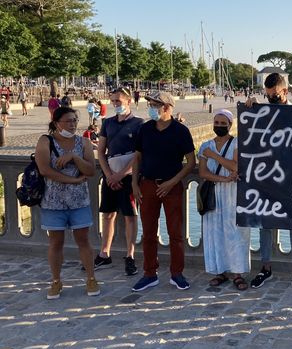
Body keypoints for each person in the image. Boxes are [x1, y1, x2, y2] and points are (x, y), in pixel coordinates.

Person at [245, 72, 292, 291]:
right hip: (267, 179)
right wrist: (250, 107)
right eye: (268, 95)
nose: (271, 98)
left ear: (285, 92)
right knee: (265, 224)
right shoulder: (262, 113)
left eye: (274, 95)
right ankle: (265, 267)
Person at [131, 91, 196, 292]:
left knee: (175, 232)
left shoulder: (181, 131)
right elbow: (137, 158)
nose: (150, 107)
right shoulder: (145, 129)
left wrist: (172, 181)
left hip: (172, 187)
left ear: (167, 108)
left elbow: (191, 162)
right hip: (147, 185)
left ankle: (177, 273)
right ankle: (149, 273)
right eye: (150, 103)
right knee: (148, 232)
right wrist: (134, 184)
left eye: (154, 104)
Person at [34, 107, 100, 299]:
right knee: (56, 242)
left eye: (74, 121)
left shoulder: (84, 142)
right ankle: (56, 281)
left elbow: (90, 170)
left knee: (84, 240)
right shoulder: (45, 141)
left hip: (79, 201)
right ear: (56, 123)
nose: (72, 125)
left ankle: (91, 278)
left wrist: (74, 157)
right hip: (53, 203)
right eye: (67, 121)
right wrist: (72, 180)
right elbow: (45, 169)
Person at [198, 109, 251, 290]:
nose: (219, 126)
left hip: (233, 194)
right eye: (216, 123)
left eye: (223, 123)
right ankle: (219, 271)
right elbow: (203, 172)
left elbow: (235, 166)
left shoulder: (237, 143)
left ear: (230, 125)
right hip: (215, 191)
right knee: (216, 233)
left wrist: (214, 156)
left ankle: (238, 273)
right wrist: (224, 178)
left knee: (236, 233)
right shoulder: (205, 144)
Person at [95, 87, 144, 276]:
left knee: (130, 216)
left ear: (128, 102)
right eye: (113, 101)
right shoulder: (108, 123)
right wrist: (109, 175)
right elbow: (100, 151)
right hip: (111, 174)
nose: (116, 104)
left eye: (119, 101)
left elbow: (139, 155)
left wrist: (122, 174)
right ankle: (104, 253)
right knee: (108, 214)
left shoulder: (139, 123)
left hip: (129, 177)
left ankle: (130, 255)